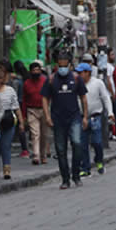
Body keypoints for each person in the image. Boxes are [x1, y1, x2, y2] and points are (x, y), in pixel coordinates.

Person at [41, 51, 88, 188]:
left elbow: (83, 97)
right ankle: (65, 179)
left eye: (65, 63)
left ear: (69, 64)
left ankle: (76, 174)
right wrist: (47, 116)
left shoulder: (76, 78)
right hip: (57, 118)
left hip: (74, 116)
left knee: (77, 144)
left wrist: (85, 116)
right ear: (57, 64)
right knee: (61, 149)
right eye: (60, 63)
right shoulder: (51, 79)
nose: (62, 66)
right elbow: (44, 98)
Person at [79, 62, 114, 175]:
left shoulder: (97, 83)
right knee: (83, 144)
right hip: (81, 117)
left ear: (87, 72)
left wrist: (110, 112)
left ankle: (99, 160)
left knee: (97, 142)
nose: (79, 75)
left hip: (95, 116)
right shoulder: (76, 84)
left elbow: (105, 98)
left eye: (81, 72)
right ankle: (85, 167)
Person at [0, 69, 22, 179]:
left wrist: (21, 122)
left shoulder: (10, 90)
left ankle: (7, 170)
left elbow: (16, 107)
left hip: (8, 120)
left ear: (1, 80)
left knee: (5, 146)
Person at [22, 60, 49, 165]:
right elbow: (24, 99)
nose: (36, 72)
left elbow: (49, 96)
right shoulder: (27, 84)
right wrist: (24, 115)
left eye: (38, 70)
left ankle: (43, 155)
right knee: (35, 133)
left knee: (44, 134)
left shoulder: (44, 81)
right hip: (31, 110)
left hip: (44, 109)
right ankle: (36, 155)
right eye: (34, 70)